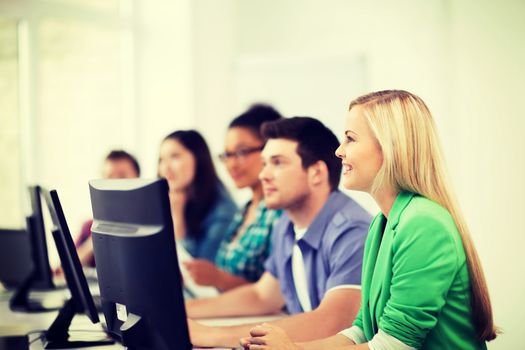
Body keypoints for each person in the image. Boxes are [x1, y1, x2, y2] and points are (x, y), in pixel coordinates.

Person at [242, 90, 497, 350]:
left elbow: (395, 344)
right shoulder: (381, 224)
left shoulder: (423, 223)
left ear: (390, 147)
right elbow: (363, 330)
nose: (339, 151)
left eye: (350, 139)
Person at [187, 117, 371, 347]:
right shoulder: (286, 223)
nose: (264, 174)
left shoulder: (353, 231)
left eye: (278, 163)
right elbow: (262, 296)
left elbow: (331, 323)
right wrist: (181, 311)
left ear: (316, 173)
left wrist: (210, 335)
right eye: (265, 163)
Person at [184, 104, 283, 291]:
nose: (231, 164)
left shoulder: (279, 213)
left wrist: (218, 278)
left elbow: (275, 294)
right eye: (227, 155)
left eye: (242, 152)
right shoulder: (245, 209)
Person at [158, 130, 237, 261]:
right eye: (162, 159)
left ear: (198, 158)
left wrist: (177, 218)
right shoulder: (172, 200)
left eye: (175, 156)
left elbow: (196, 272)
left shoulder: (223, 212)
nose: (165, 167)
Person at [75, 150, 140, 267]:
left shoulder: (148, 223)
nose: (114, 183)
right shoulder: (89, 226)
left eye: (122, 176)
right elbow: (68, 268)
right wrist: (95, 240)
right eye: (109, 177)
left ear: (138, 179)